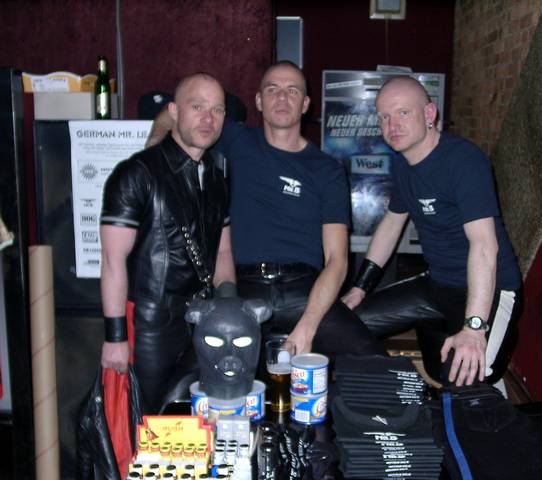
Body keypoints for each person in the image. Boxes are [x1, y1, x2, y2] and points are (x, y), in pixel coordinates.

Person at [148, 61, 385, 358]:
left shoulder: (327, 170)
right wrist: (154, 152)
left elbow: (337, 261)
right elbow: (171, 115)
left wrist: (307, 328)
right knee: (200, 373)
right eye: (273, 90)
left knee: (379, 366)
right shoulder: (237, 140)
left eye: (292, 91)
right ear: (259, 101)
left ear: (305, 104)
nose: (282, 97)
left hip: (305, 292)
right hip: (244, 289)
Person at [342, 76, 522, 387]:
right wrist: (359, 288)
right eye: (384, 117)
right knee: (345, 325)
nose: (392, 125)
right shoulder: (403, 164)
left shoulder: (463, 161)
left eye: (403, 112)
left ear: (429, 114)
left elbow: (484, 246)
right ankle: (395, 394)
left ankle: (492, 375)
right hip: (438, 284)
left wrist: (475, 328)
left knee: (466, 376)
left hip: (492, 289)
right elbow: (391, 225)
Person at [100, 73, 235, 412]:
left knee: (193, 419)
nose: (208, 119)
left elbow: (223, 251)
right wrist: (115, 336)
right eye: (197, 107)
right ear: (174, 111)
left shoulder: (217, 178)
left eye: (217, 110)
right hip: (150, 323)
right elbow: (113, 260)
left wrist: (228, 308)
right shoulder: (137, 173)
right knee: (145, 420)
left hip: (201, 318)